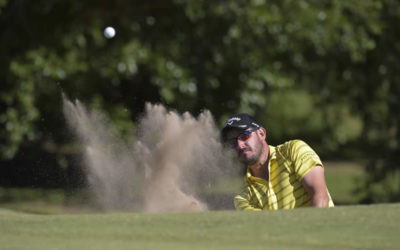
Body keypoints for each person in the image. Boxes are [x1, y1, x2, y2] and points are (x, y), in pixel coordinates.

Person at [221, 113, 334, 210]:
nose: (240, 145)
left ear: (261, 133)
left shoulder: (293, 150)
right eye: (232, 143)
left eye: (245, 136)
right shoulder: (243, 197)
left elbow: (320, 197)